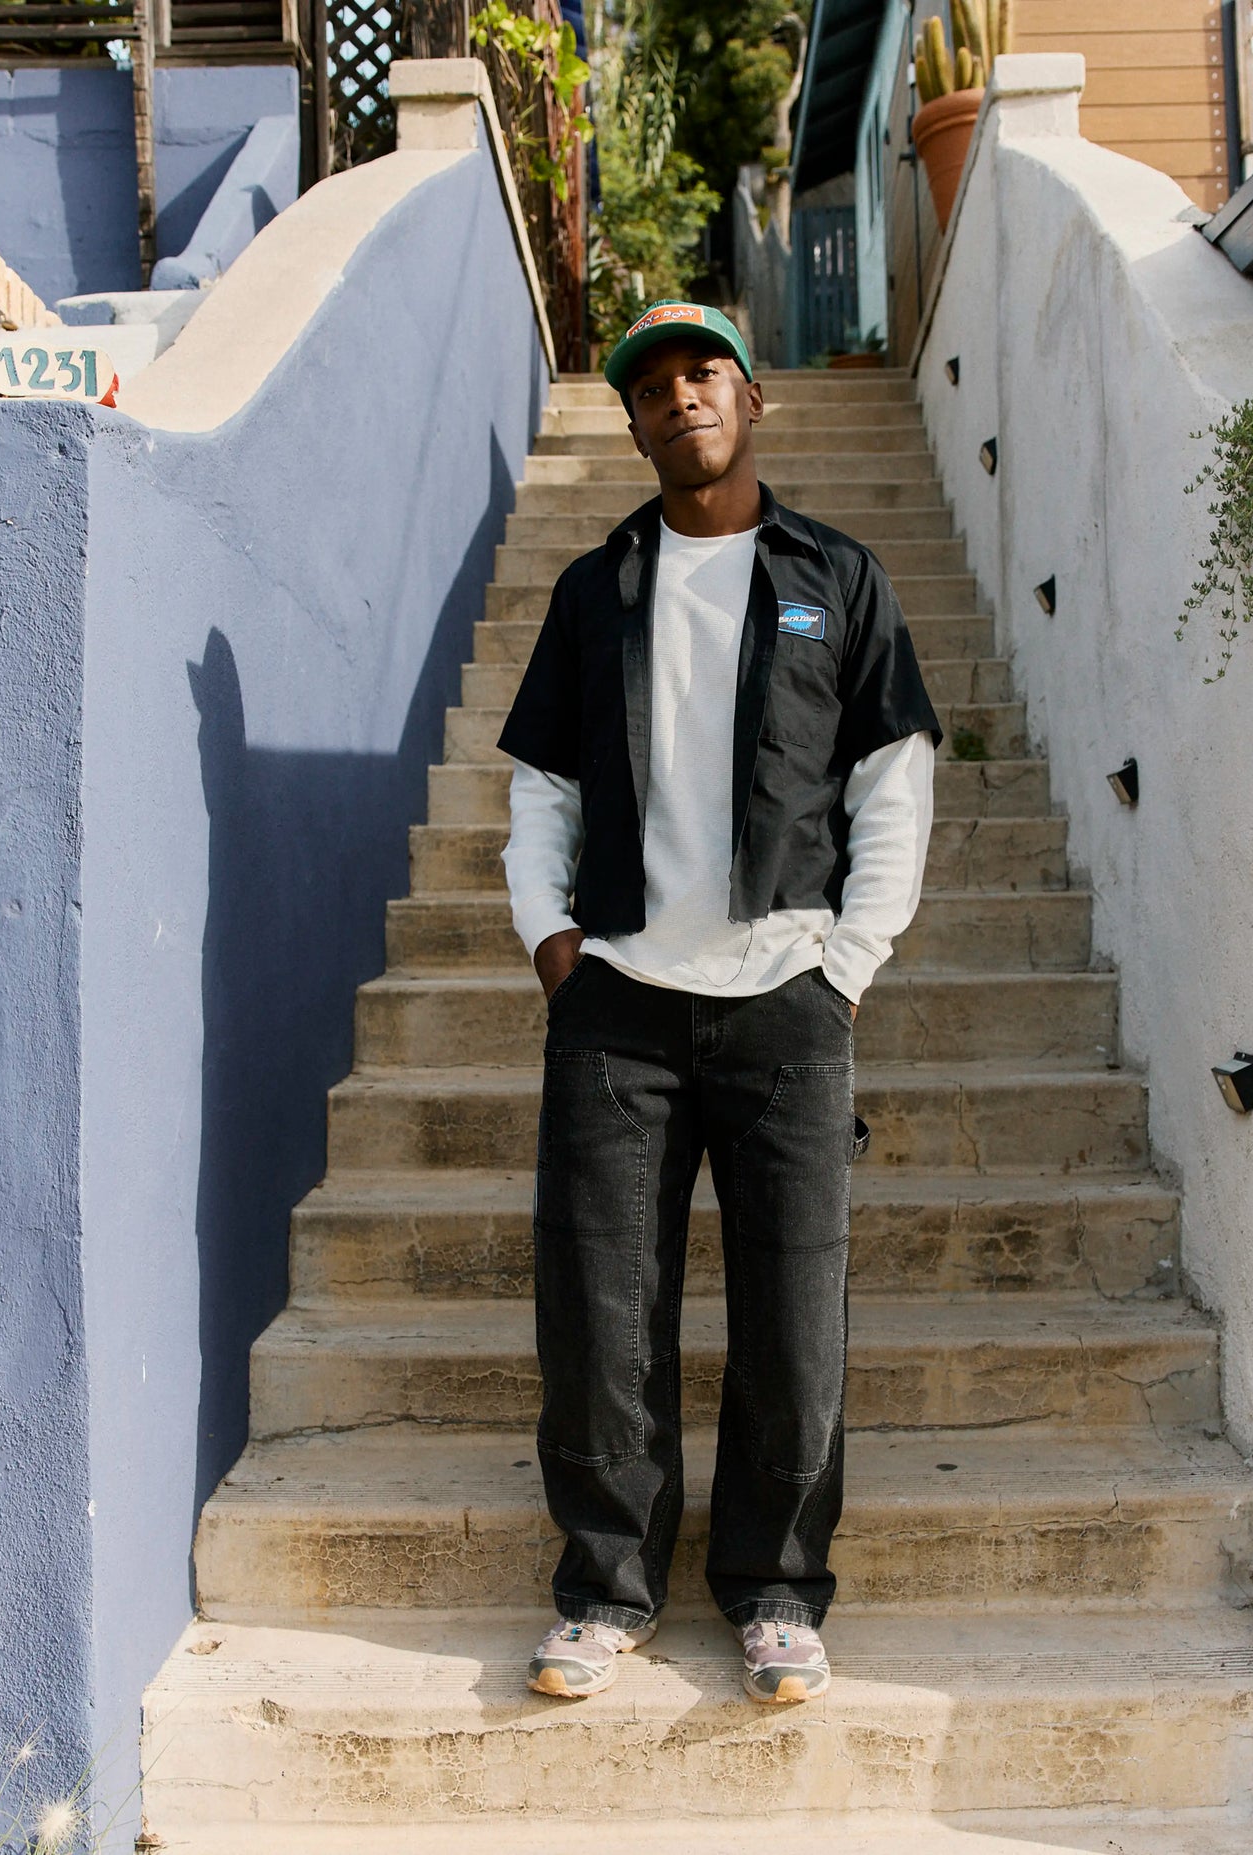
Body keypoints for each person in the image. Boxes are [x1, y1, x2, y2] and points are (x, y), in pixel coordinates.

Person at [498, 301, 940, 1706]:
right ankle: (606, 1589)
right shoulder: (595, 590)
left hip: (784, 1002)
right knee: (599, 1305)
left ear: (752, 404)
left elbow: (893, 784)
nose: (681, 398)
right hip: (620, 1000)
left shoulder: (836, 578)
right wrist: (556, 949)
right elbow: (543, 792)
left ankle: (777, 1589)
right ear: (630, 424)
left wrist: (848, 961)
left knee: (795, 1308)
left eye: (706, 376)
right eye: (654, 387)